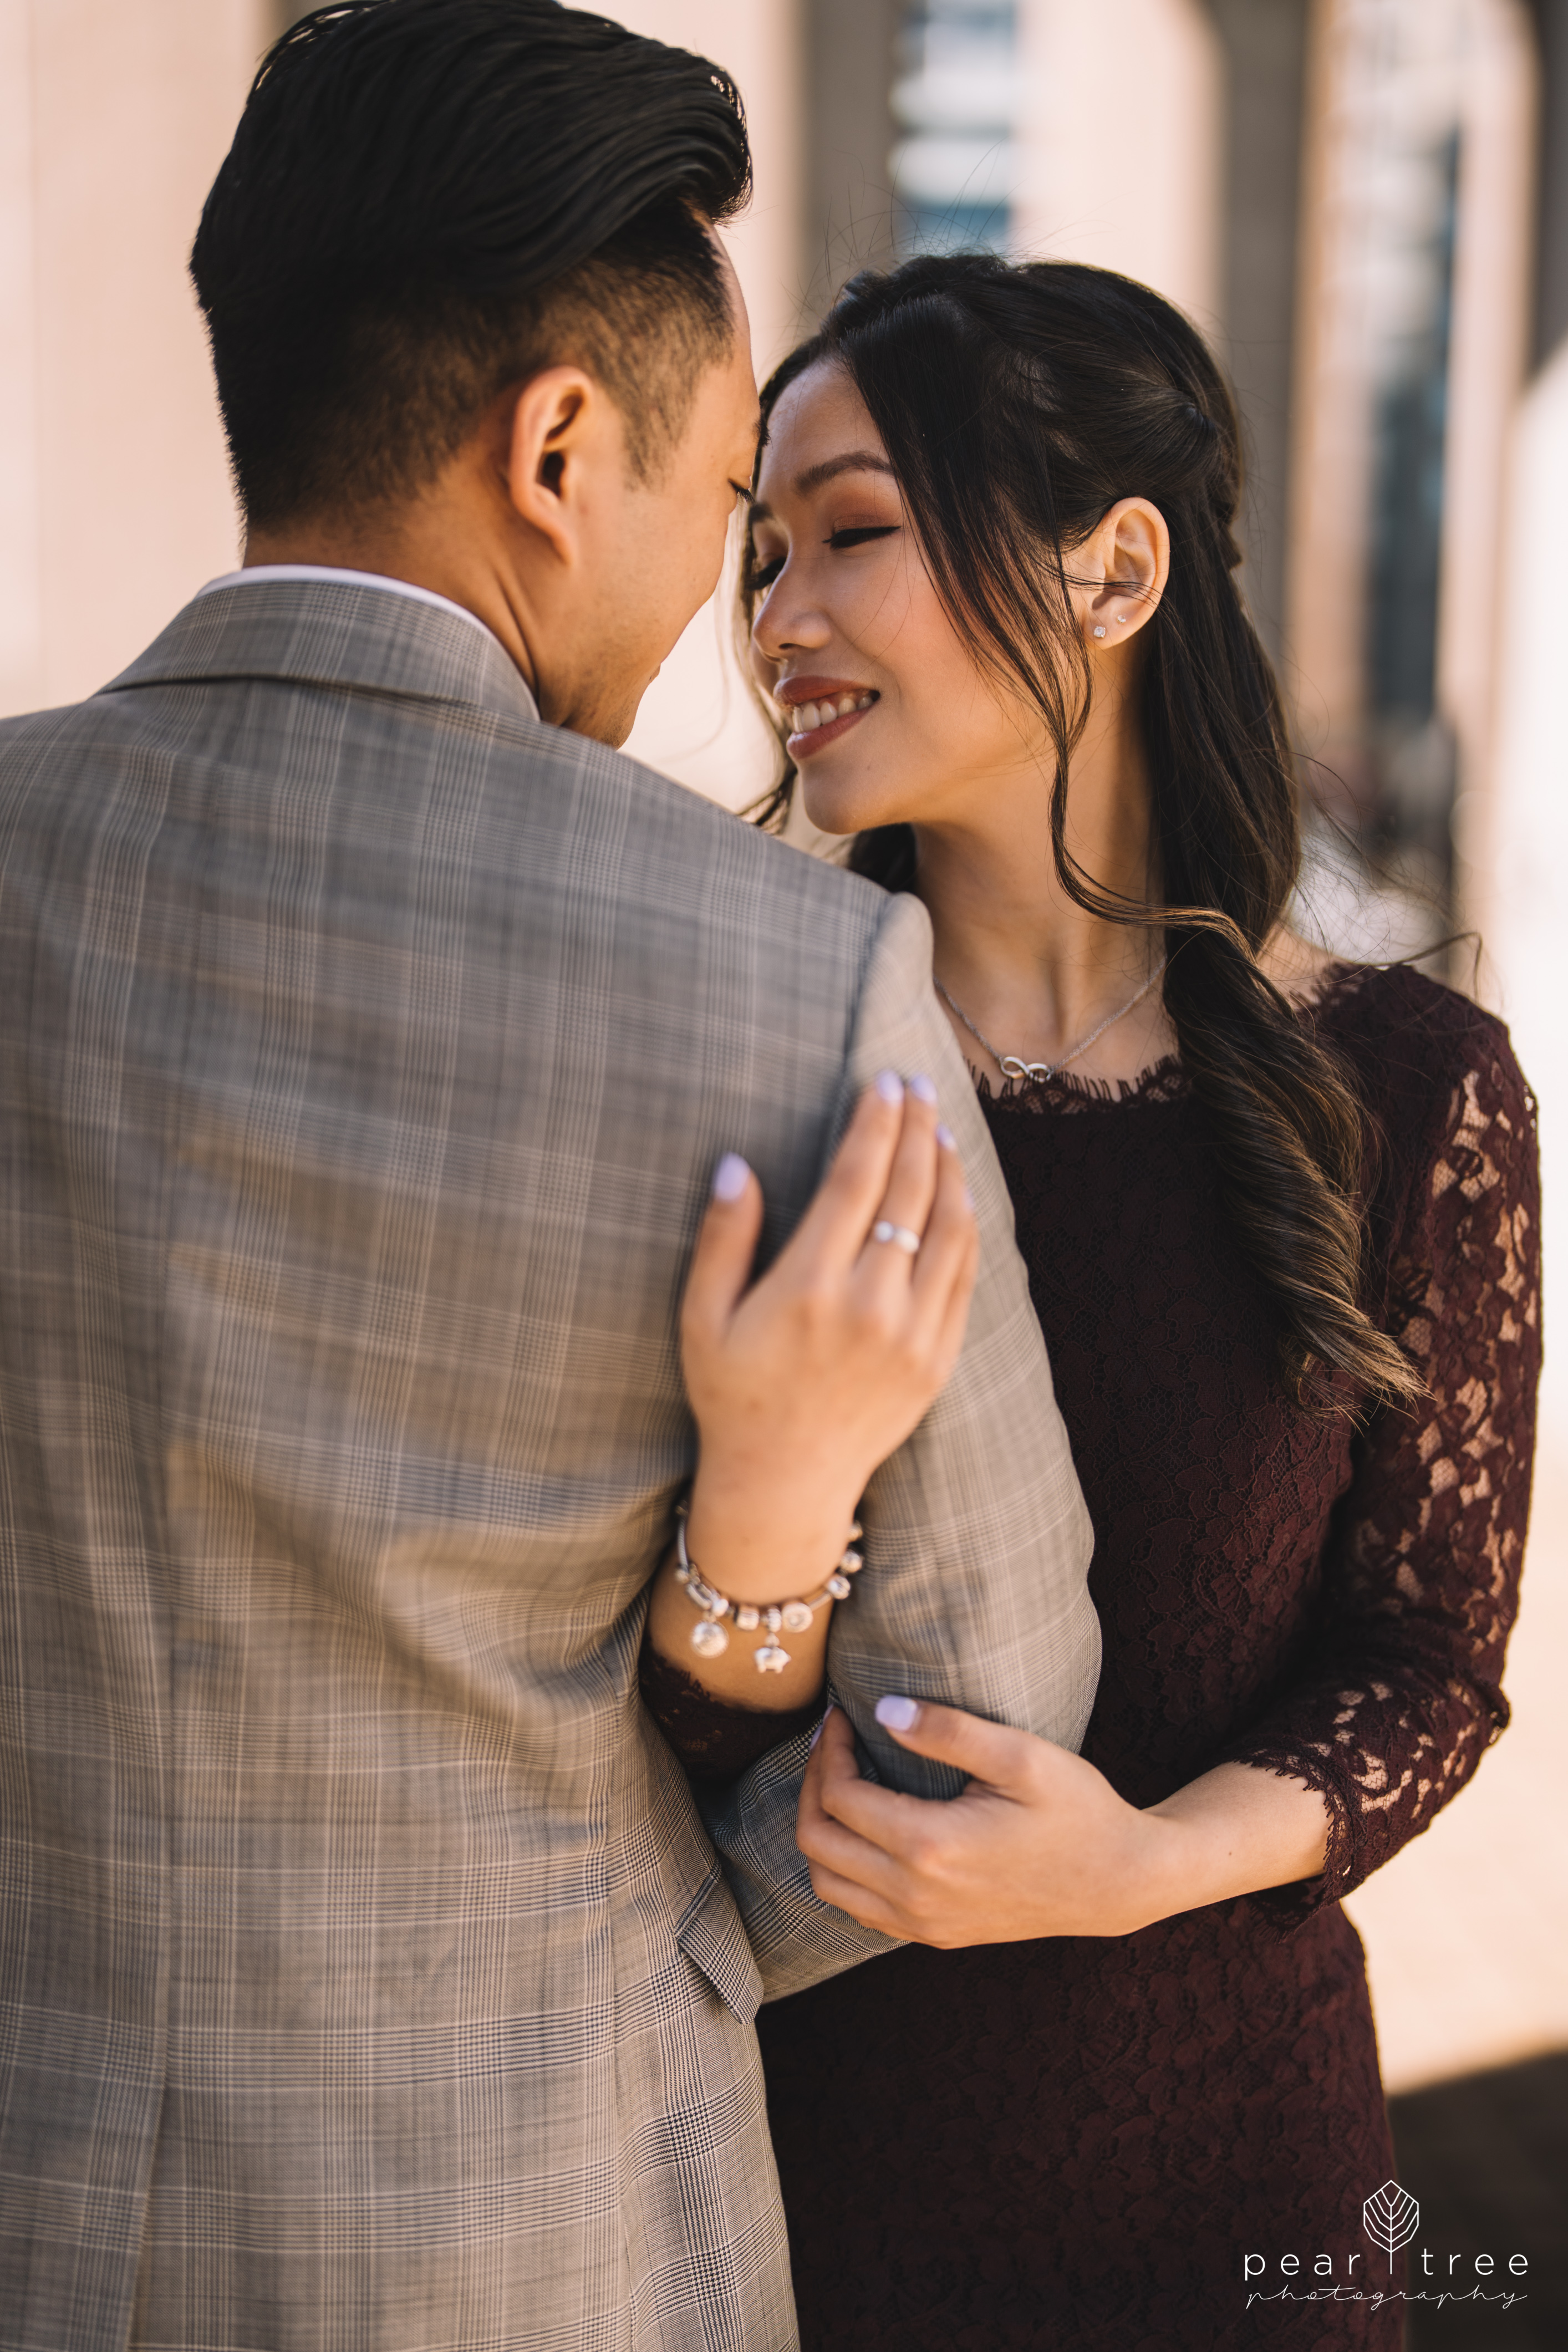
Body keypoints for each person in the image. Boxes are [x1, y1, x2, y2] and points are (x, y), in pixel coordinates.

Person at [0, 15, 1101, 2349]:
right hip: (541, 2236)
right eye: (724, 512)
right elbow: (979, 1730)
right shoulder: (798, 980)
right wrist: (646, 1912)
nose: (735, 601)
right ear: (558, 448)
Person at [644, 254, 1541, 2348]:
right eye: (761, 554)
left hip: (1241, 2190)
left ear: (1115, 568)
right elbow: (658, 1724)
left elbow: (1429, 1666)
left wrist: (1126, 1865)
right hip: (798, 2185)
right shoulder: (732, 1071)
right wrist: (765, 1512)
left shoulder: (1410, 1093)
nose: (776, 620)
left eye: (850, 533)